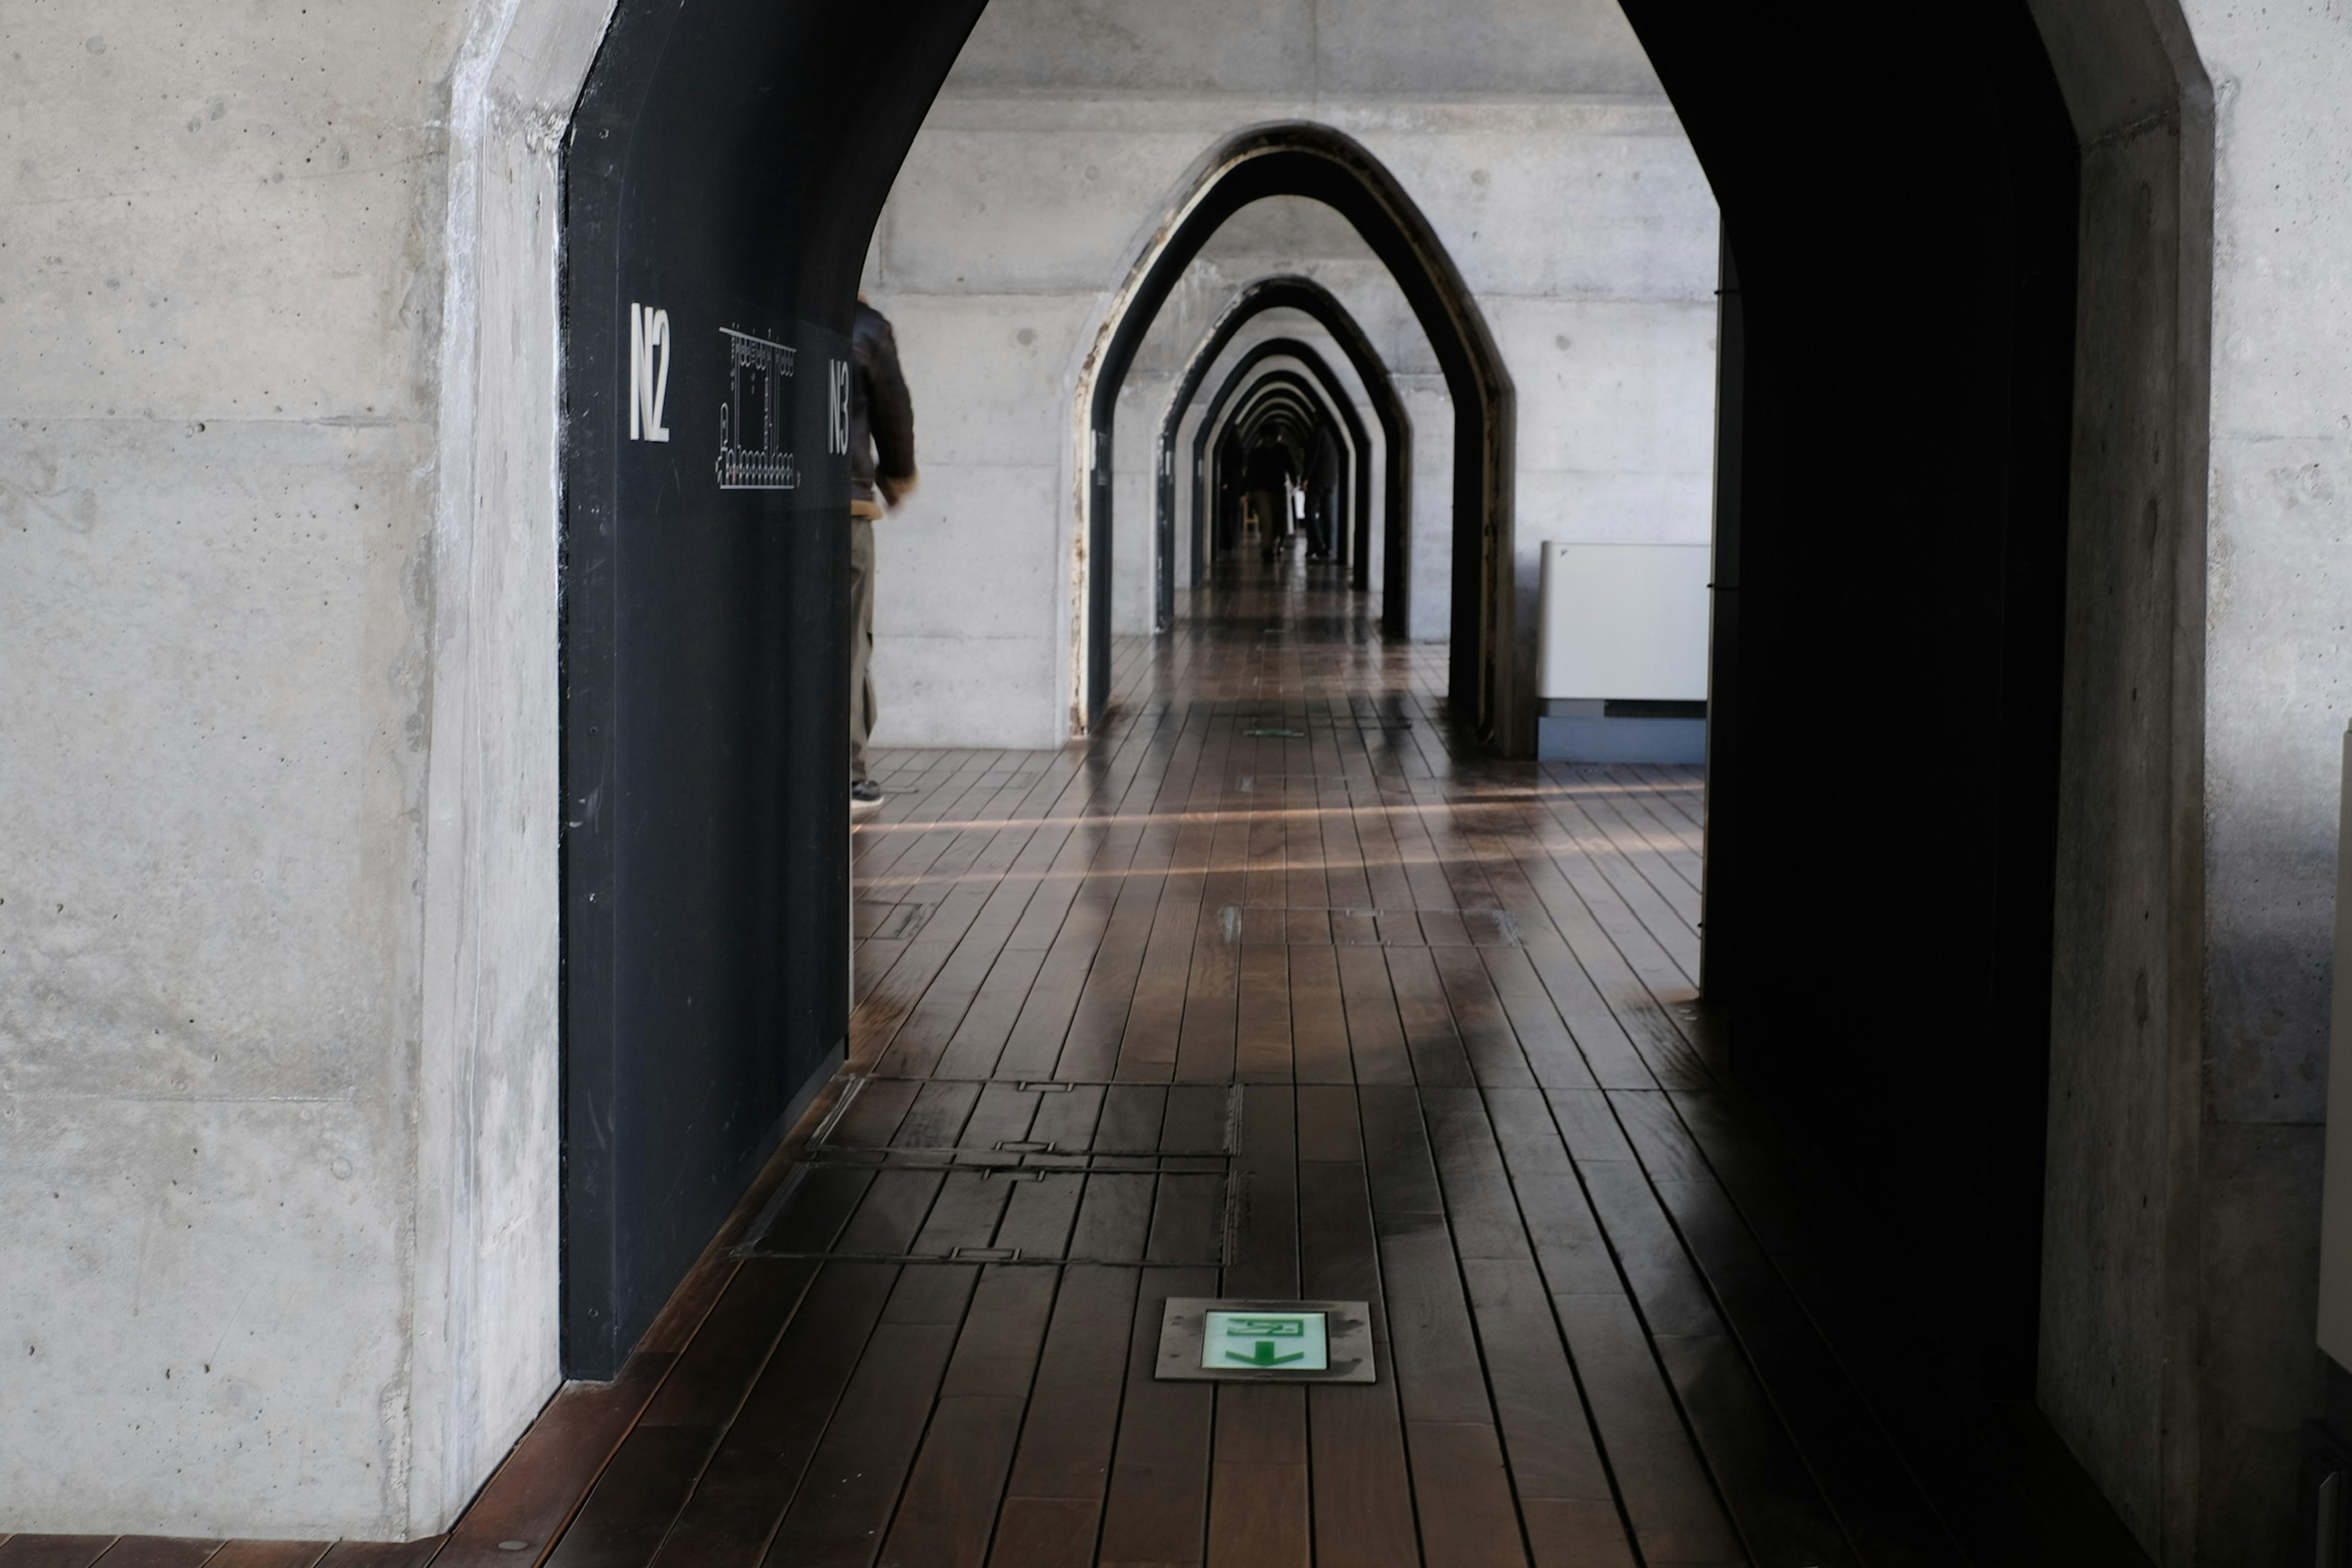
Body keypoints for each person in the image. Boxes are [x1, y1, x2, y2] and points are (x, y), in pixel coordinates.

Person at [848, 298, 917, 817]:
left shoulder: (766, 310)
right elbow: (894, 414)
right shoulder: (866, 328)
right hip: (845, 509)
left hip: (764, 499)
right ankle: (848, 775)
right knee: (849, 643)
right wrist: (896, 479)